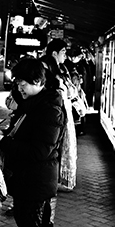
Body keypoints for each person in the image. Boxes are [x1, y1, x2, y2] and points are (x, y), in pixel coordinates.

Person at [0, 58, 66, 227]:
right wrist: (6, 136)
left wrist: (5, 143)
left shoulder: (49, 109)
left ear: (38, 81)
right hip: (29, 178)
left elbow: (39, 151)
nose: (18, 87)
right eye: (16, 82)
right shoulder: (34, 103)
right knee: (28, 223)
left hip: (37, 179)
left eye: (22, 83)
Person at [45, 38, 78, 191]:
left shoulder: (62, 69)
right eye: (63, 52)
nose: (65, 55)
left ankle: (57, 180)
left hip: (62, 115)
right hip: (55, 115)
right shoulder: (49, 71)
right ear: (54, 53)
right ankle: (52, 181)